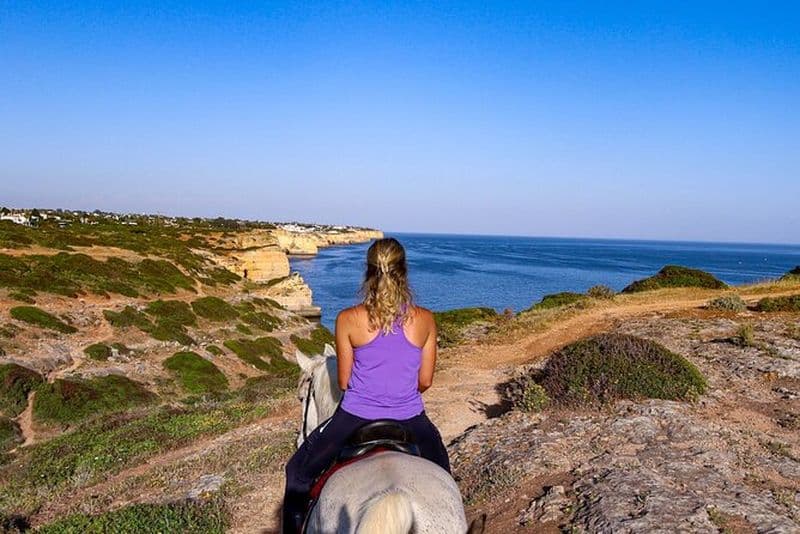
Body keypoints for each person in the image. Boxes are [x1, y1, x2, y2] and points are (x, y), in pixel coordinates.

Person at [282, 237, 450, 533]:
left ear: (367, 271)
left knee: (297, 473)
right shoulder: (425, 319)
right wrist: (400, 394)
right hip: (411, 417)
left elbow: (345, 381)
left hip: (355, 416)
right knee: (445, 478)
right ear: (404, 270)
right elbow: (425, 380)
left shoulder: (347, 318)